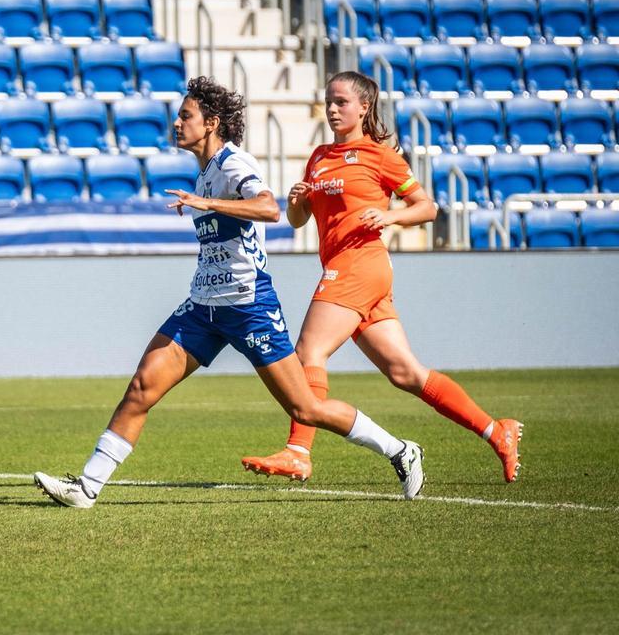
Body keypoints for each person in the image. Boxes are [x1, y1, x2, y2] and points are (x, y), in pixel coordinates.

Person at [33, 77, 426, 509]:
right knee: (142, 387)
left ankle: (400, 450)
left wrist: (209, 204)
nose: (177, 123)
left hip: (248, 306)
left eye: (186, 116)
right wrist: (205, 201)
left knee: (305, 409)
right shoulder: (204, 173)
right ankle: (86, 488)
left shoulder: (233, 163)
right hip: (203, 308)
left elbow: (269, 208)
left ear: (212, 123)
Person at [241, 72, 523, 485]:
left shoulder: (380, 155)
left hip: (360, 263)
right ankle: (496, 430)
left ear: (363, 108)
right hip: (348, 268)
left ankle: (299, 451)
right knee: (406, 373)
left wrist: (389, 215)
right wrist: (296, 203)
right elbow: (299, 221)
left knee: (309, 352)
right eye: (329, 101)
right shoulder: (319, 156)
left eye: (341, 102)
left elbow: (426, 208)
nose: (332, 109)